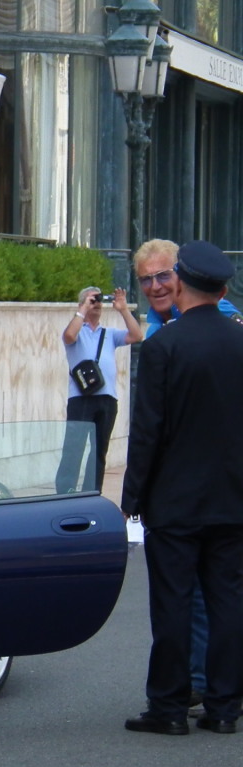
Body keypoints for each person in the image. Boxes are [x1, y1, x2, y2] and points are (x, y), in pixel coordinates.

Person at [121, 240, 243, 736]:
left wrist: (132, 498)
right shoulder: (240, 341)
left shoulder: (162, 348)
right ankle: (224, 707)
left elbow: (148, 431)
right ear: (224, 287)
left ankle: (169, 707)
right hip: (233, 498)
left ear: (183, 284)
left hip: (174, 501)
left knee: (171, 602)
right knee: (228, 601)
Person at [54, 285, 143, 494]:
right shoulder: (77, 331)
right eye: (90, 300)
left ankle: (92, 492)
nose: (95, 304)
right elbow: (68, 336)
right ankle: (65, 491)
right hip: (81, 398)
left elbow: (136, 335)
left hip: (107, 399)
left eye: (97, 301)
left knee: (99, 450)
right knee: (74, 448)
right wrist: (83, 309)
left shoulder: (109, 333)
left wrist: (122, 309)